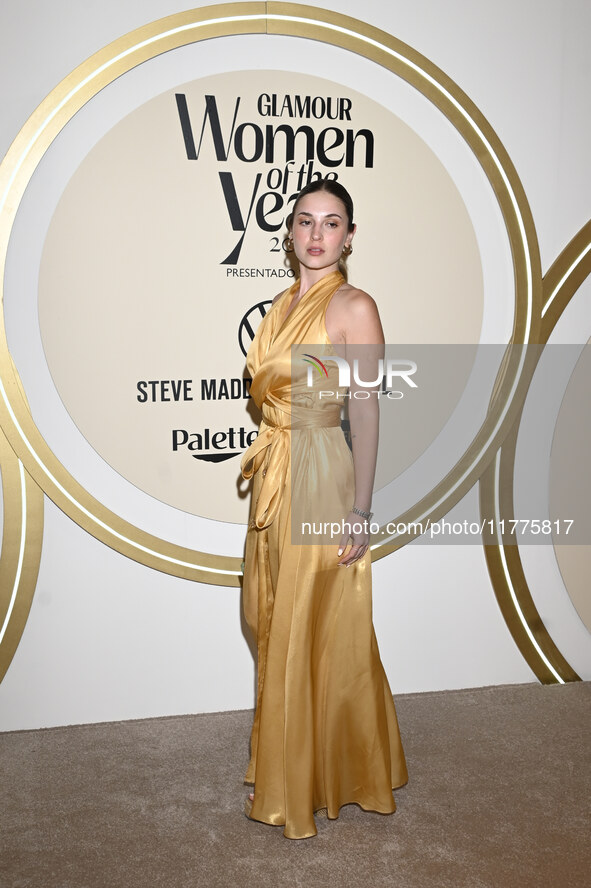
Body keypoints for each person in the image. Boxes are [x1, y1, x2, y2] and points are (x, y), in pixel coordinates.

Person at [240, 178, 408, 839]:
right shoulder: (281, 303)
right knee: (270, 616)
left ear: (349, 235)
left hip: (318, 473)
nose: (316, 234)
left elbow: (364, 414)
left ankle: (305, 782)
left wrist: (361, 510)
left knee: (309, 623)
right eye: (305, 221)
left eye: (331, 223)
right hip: (275, 471)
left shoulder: (354, 307)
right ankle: (302, 760)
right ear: (288, 233)